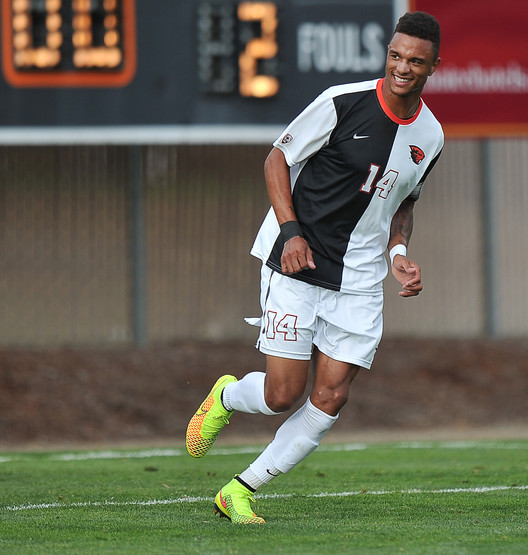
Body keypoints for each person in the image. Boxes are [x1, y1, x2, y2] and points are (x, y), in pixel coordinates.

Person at [186, 12, 444, 524]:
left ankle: (240, 490)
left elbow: (403, 204)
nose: (402, 68)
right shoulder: (341, 103)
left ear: (434, 66)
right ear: (387, 54)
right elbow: (276, 160)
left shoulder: (431, 136)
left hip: (361, 280)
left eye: (415, 61)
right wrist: (290, 232)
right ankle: (228, 394)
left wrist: (398, 257)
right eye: (395, 56)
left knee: (331, 396)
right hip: (296, 264)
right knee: (284, 394)